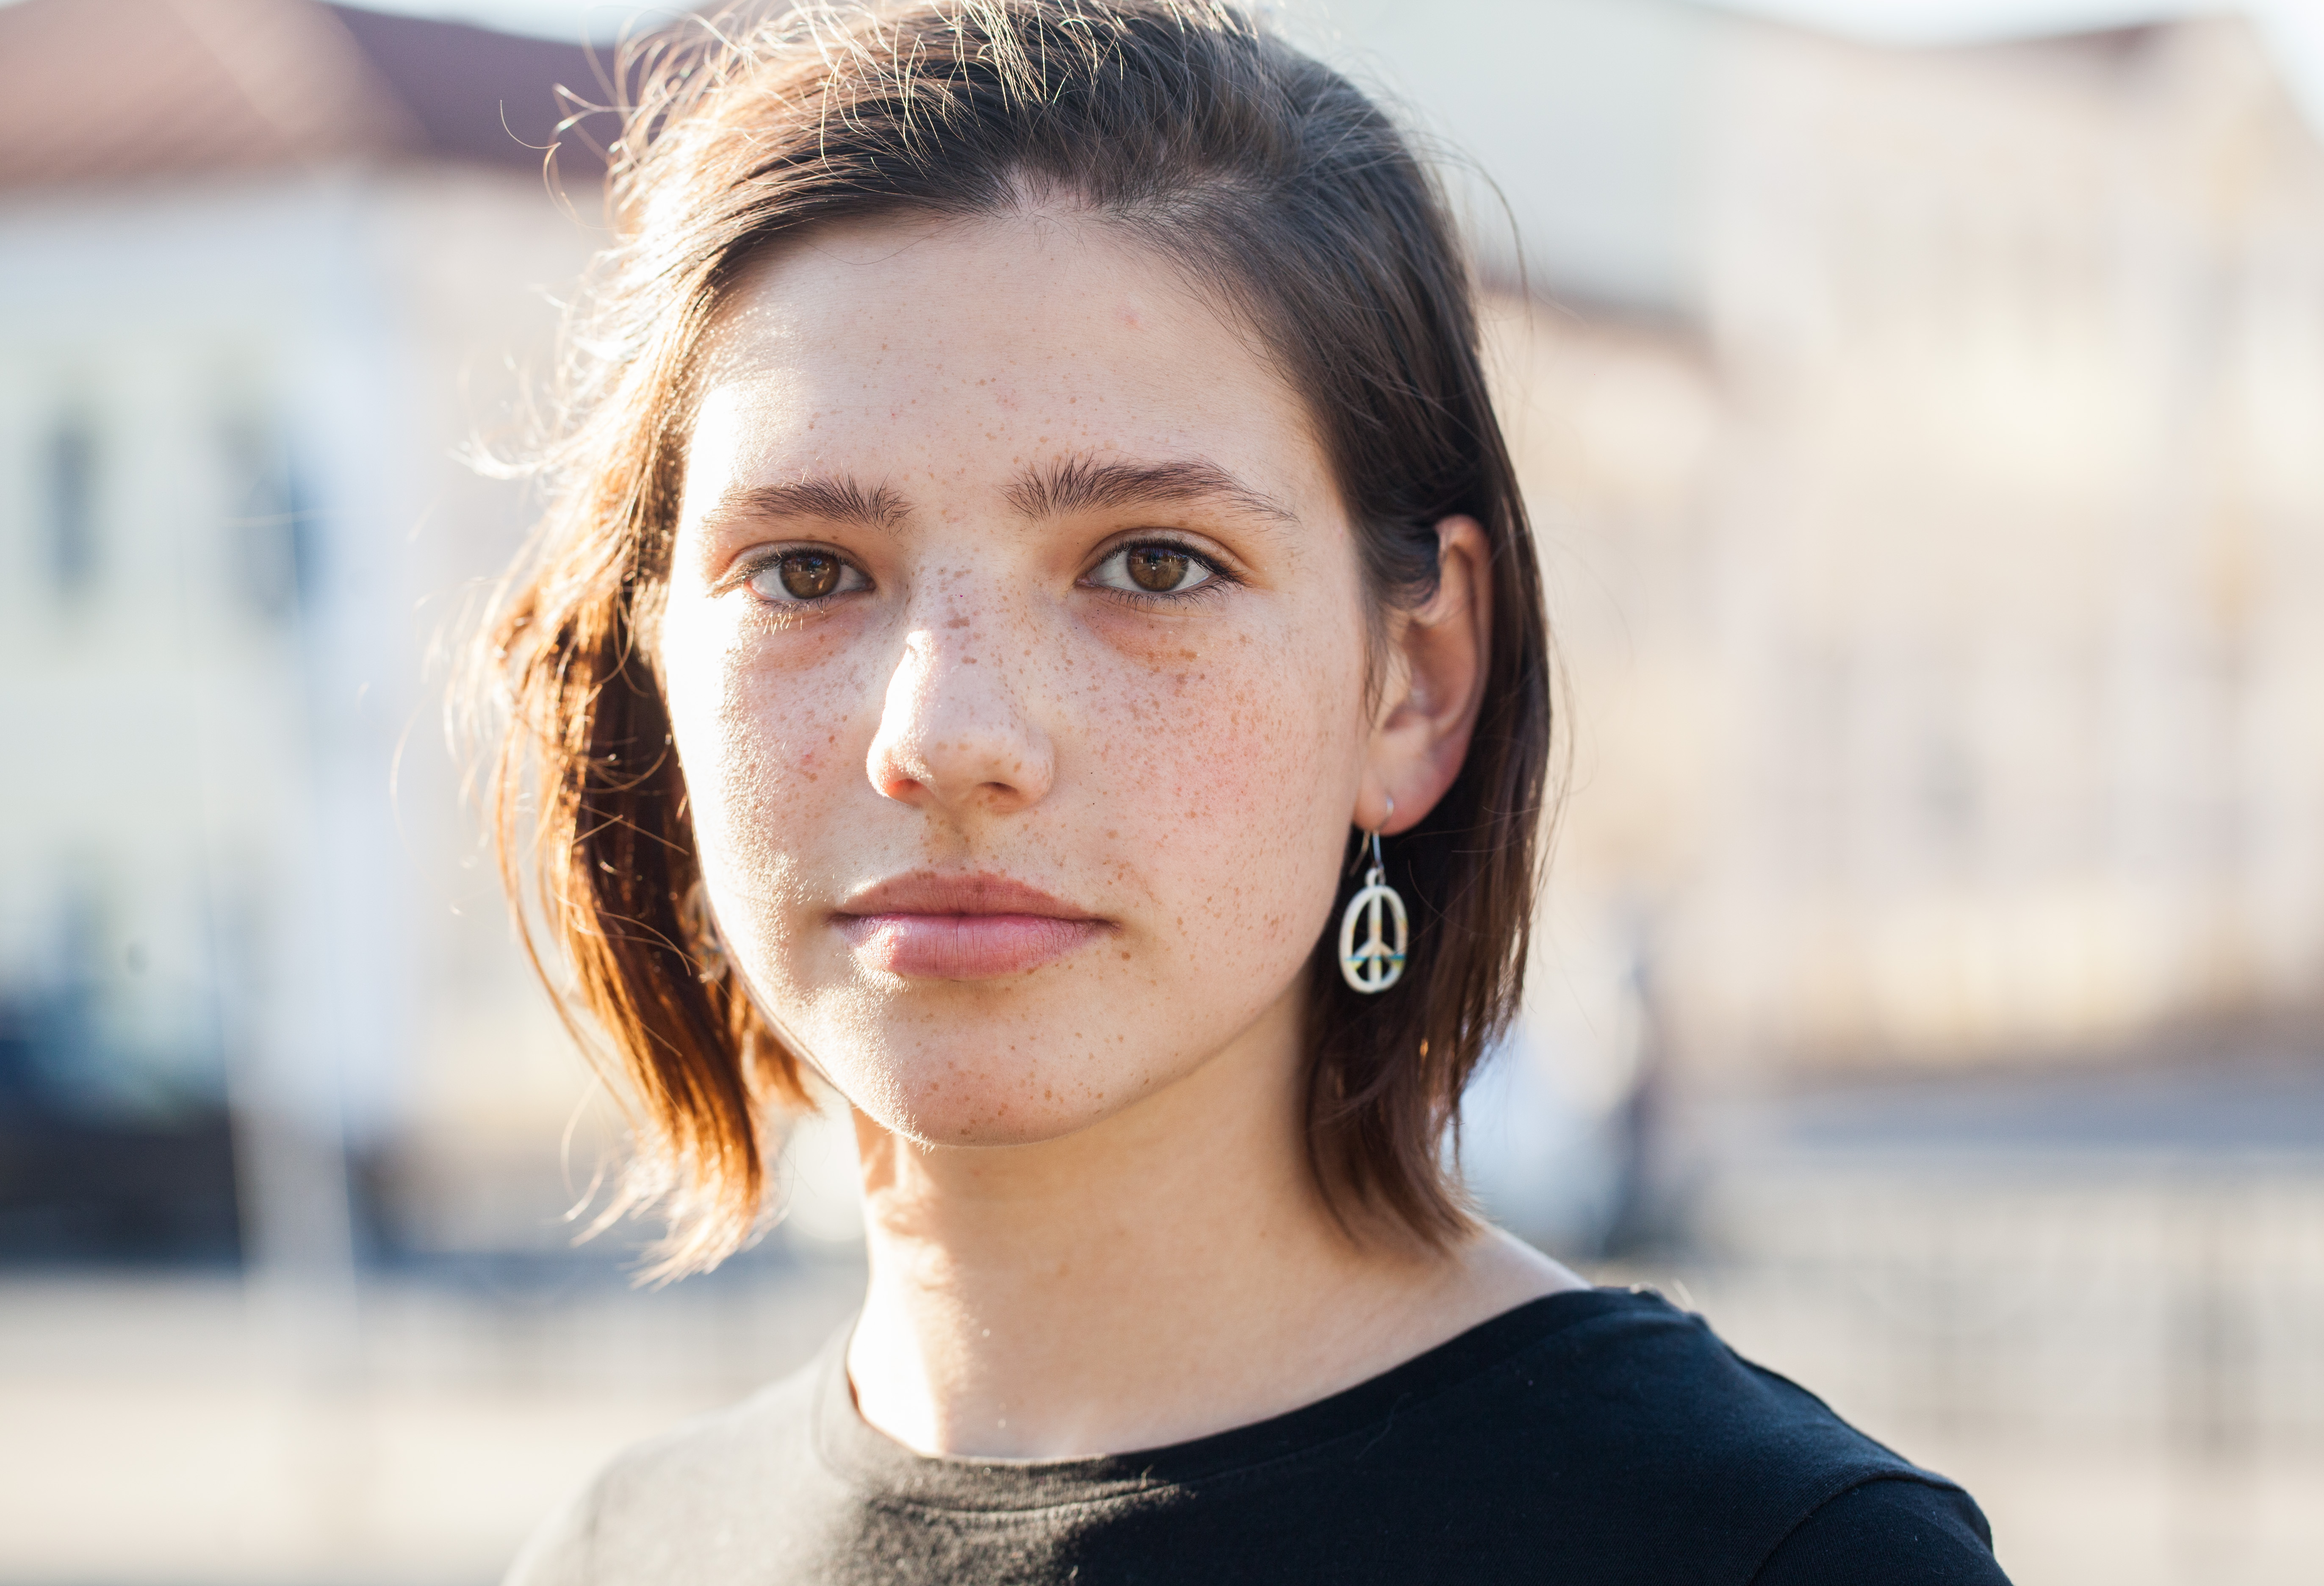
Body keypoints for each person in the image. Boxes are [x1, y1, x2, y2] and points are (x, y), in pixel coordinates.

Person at [482, 3, 2012, 1580]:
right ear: (657, 663)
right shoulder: (616, 1554)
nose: (945, 735)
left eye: (1153, 564)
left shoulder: (1762, 1556)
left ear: (1412, 681)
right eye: (809, 570)